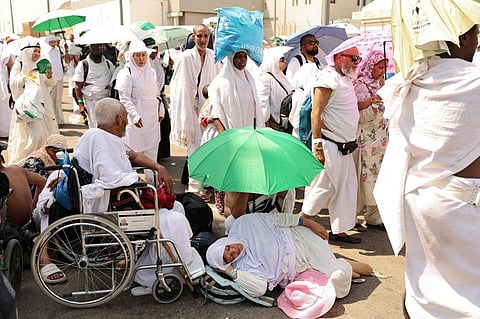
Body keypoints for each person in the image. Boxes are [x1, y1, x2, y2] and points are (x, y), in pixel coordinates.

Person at [374, 24, 480, 318]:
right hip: (463, 203)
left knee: (427, 287)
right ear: (461, 38)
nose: (476, 41)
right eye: (475, 34)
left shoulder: (416, 80)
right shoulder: (474, 82)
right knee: (468, 295)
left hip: (420, 198)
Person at [206, 213, 372, 299]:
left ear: (224, 242)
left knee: (349, 269)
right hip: (300, 268)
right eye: (228, 257)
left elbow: (278, 219)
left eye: (227, 248)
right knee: (336, 280)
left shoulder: (244, 224)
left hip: (301, 238)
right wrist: (228, 271)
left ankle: (341, 265)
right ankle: (344, 267)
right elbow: (259, 289)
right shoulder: (243, 267)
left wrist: (309, 223)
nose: (232, 251)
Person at [300, 46, 362, 244]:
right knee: (322, 186)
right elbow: (316, 114)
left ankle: (340, 229)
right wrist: (317, 145)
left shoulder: (345, 79)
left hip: (345, 145)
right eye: (353, 58)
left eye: (358, 59)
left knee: (346, 189)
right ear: (339, 57)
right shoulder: (326, 79)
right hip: (329, 143)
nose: (355, 62)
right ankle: (302, 220)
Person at [169, 24, 222, 192]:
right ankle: (193, 189)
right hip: (190, 110)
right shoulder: (185, 58)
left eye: (206, 36)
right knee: (194, 152)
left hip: (208, 110)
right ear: (193, 37)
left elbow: (218, 82)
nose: (203, 39)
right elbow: (179, 87)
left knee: (209, 149)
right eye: (199, 36)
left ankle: (207, 187)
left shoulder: (214, 57)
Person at [115, 40, 163, 184]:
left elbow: (156, 95)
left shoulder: (152, 72)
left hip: (152, 121)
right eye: (137, 56)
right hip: (136, 122)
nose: (141, 59)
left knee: (152, 155)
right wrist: (134, 115)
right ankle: (132, 185)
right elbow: (124, 97)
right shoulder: (126, 73)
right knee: (133, 155)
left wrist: (161, 111)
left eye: (143, 55)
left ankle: (153, 187)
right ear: (131, 56)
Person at [7, 39, 59, 165]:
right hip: (27, 107)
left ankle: (41, 161)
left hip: (43, 105)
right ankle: (26, 161)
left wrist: (49, 76)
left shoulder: (41, 65)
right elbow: (13, 84)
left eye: (38, 51)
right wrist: (26, 76)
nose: (36, 54)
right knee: (36, 136)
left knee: (45, 135)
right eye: (34, 51)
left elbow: (50, 84)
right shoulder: (19, 65)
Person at [353, 50, 388, 231]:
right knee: (363, 177)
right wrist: (373, 103)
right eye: (379, 67)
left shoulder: (380, 83)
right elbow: (360, 116)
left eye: (384, 67)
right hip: (366, 138)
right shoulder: (360, 85)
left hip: (380, 138)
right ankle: (353, 217)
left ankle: (374, 217)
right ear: (370, 66)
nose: (382, 71)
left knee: (378, 177)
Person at [71, 43, 115, 128]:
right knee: (95, 126)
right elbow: (77, 86)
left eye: (99, 46)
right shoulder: (83, 65)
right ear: (90, 48)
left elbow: (113, 82)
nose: (97, 48)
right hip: (90, 101)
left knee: (107, 126)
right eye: (94, 46)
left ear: (103, 48)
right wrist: (81, 105)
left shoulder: (109, 64)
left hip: (106, 100)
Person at [258, 49, 292, 130]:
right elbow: (263, 101)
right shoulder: (266, 78)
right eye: (281, 60)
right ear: (273, 61)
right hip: (273, 123)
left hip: (284, 119)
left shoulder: (282, 76)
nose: (285, 62)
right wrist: (263, 121)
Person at [43, 34, 65, 125]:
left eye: (54, 41)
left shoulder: (58, 50)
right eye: (51, 42)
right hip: (50, 79)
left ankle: (60, 120)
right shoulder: (45, 52)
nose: (53, 43)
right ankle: (53, 121)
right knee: (51, 101)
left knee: (58, 100)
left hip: (59, 78)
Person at [0, 41, 13, 138]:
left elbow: (10, 66)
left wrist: (10, 82)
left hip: (2, 83)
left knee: (4, 110)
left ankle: (5, 132)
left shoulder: (3, 48)